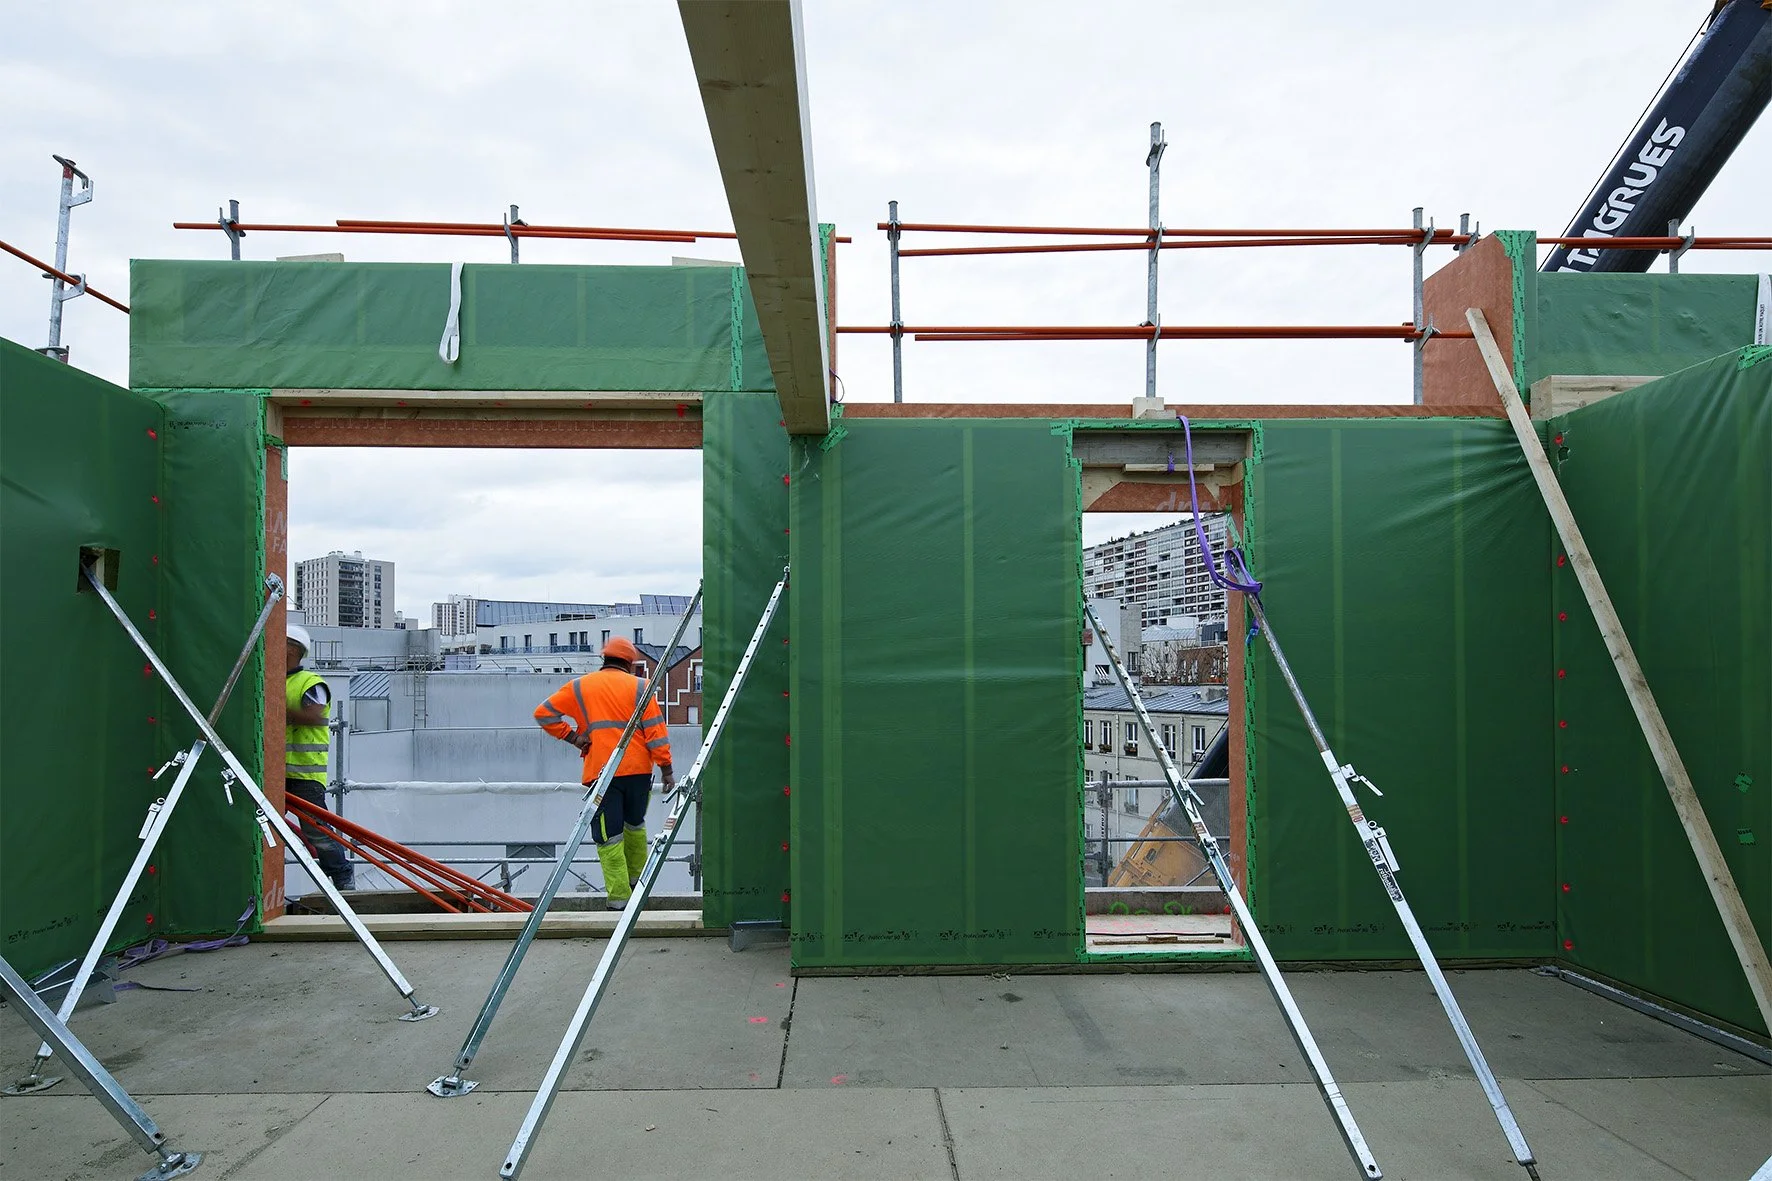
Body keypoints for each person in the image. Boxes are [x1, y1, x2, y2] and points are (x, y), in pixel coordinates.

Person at [533, 637, 673, 910]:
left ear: (604, 659)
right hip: (638, 773)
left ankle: (619, 902)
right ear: (628, 663)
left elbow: (544, 714)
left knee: (609, 836)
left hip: (603, 772)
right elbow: (656, 732)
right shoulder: (641, 687)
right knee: (635, 827)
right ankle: (638, 890)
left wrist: (574, 738)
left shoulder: (580, 686)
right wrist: (666, 768)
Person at [285, 623, 354, 890]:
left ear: (292, 650)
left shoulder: (310, 683)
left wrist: (279, 713)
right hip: (276, 773)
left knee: (317, 831)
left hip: (304, 774)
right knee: (263, 825)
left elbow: (314, 715)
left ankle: (342, 876)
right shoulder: (273, 679)